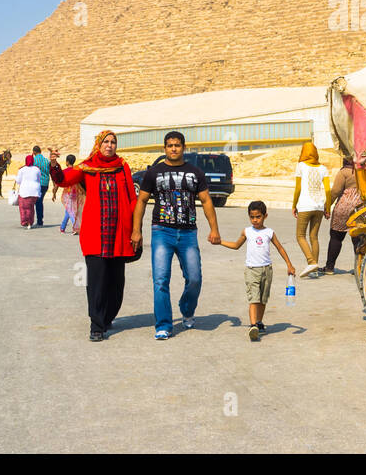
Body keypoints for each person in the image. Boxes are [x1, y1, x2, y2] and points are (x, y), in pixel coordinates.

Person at [49, 130, 139, 342]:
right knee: (97, 281)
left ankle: (107, 317)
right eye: (106, 142)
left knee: (117, 284)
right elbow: (63, 179)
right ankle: (96, 325)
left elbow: (132, 198)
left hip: (119, 233)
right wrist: (53, 165)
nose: (109, 145)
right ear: (98, 145)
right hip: (95, 234)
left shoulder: (122, 166)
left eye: (113, 142)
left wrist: (136, 229)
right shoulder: (87, 167)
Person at [132, 131, 221, 340]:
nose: (174, 149)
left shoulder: (195, 172)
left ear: (184, 147)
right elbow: (141, 202)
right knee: (161, 279)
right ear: (164, 148)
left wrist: (214, 229)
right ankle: (163, 324)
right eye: (170, 145)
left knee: (194, 278)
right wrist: (137, 230)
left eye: (177, 145)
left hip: (188, 233)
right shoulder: (153, 173)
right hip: (161, 232)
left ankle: (186, 309)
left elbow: (207, 201)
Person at [221, 201, 295, 341]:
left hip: (267, 270)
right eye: (252, 217)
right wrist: (220, 242)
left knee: (262, 299)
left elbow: (280, 248)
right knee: (254, 298)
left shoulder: (269, 232)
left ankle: (259, 323)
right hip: (251, 270)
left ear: (265, 216)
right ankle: (253, 325)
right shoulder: (247, 231)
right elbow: (236, 245)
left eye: (258, 217)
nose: (255, 220)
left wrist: (289, 265)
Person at [291, 142, 330, 277]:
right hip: (319, 206)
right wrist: (328, 207)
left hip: (305, 206)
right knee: (314, 237)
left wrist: (293, 205)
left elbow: (298, 188)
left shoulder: (300, 166)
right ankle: (314, 271)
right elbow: (328, 190)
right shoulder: (323, 168)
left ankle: (311, 262)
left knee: (300, 236)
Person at [324, 159, 363, 275]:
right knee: (358, 239)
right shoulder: (364, 171)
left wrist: (327, 206)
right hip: (360, 208)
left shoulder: (344, 172)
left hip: (344, 207)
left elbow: (335, 191)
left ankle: (329, 267)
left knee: (336, 237)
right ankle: (359, 269)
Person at [59, 154, 84, 234]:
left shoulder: (64, 171)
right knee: (69, 210)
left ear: (67, 162)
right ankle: (62, 228)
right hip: (76, 193)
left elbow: (58, 182)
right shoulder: (76, 171)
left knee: (70, 210)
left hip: (68, 194)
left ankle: (75, 227)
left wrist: (54, 192)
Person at [15, 155, 41, 228]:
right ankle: (30, 222)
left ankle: (25, 222)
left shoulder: (22, 170)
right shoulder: (37, 169)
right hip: (35, 191)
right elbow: (39, 179)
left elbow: (18, 181)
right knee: (31, 207)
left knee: (23, 207)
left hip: (24, 191)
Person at [31, 146, 50, 227]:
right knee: (39, 201)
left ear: (34, 152)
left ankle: (39, 221)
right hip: (45, 183)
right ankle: (40, 220)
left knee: (37, 202)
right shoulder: (46, 160)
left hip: (37, 183)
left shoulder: (34, 160)